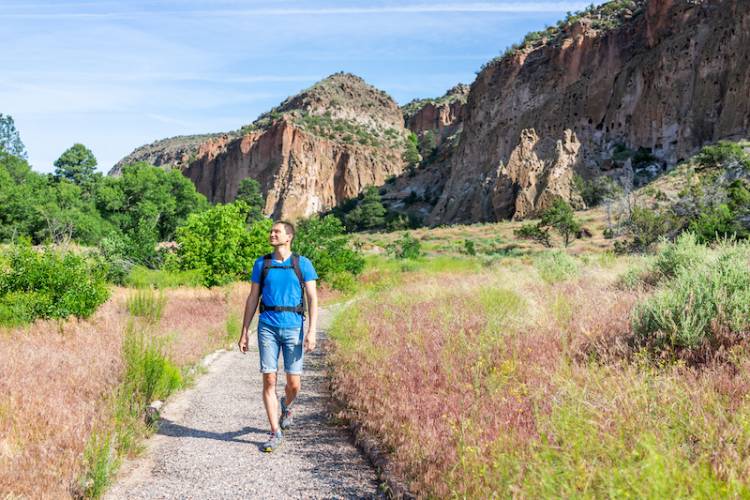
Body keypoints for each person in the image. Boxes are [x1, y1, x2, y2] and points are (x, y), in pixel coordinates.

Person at [237, 221, 318, 453]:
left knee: (294, 384)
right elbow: (252, 298)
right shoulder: (261, 263)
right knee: (269, 380)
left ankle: (287, 405)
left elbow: (313, 298)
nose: (272, 234)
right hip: (267, 327)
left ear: (289, 237)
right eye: (271, 231)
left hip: (294, 327)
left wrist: (311, 330)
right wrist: (244, 331)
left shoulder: (302, 263)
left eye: (277, 232)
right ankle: (275, 432)